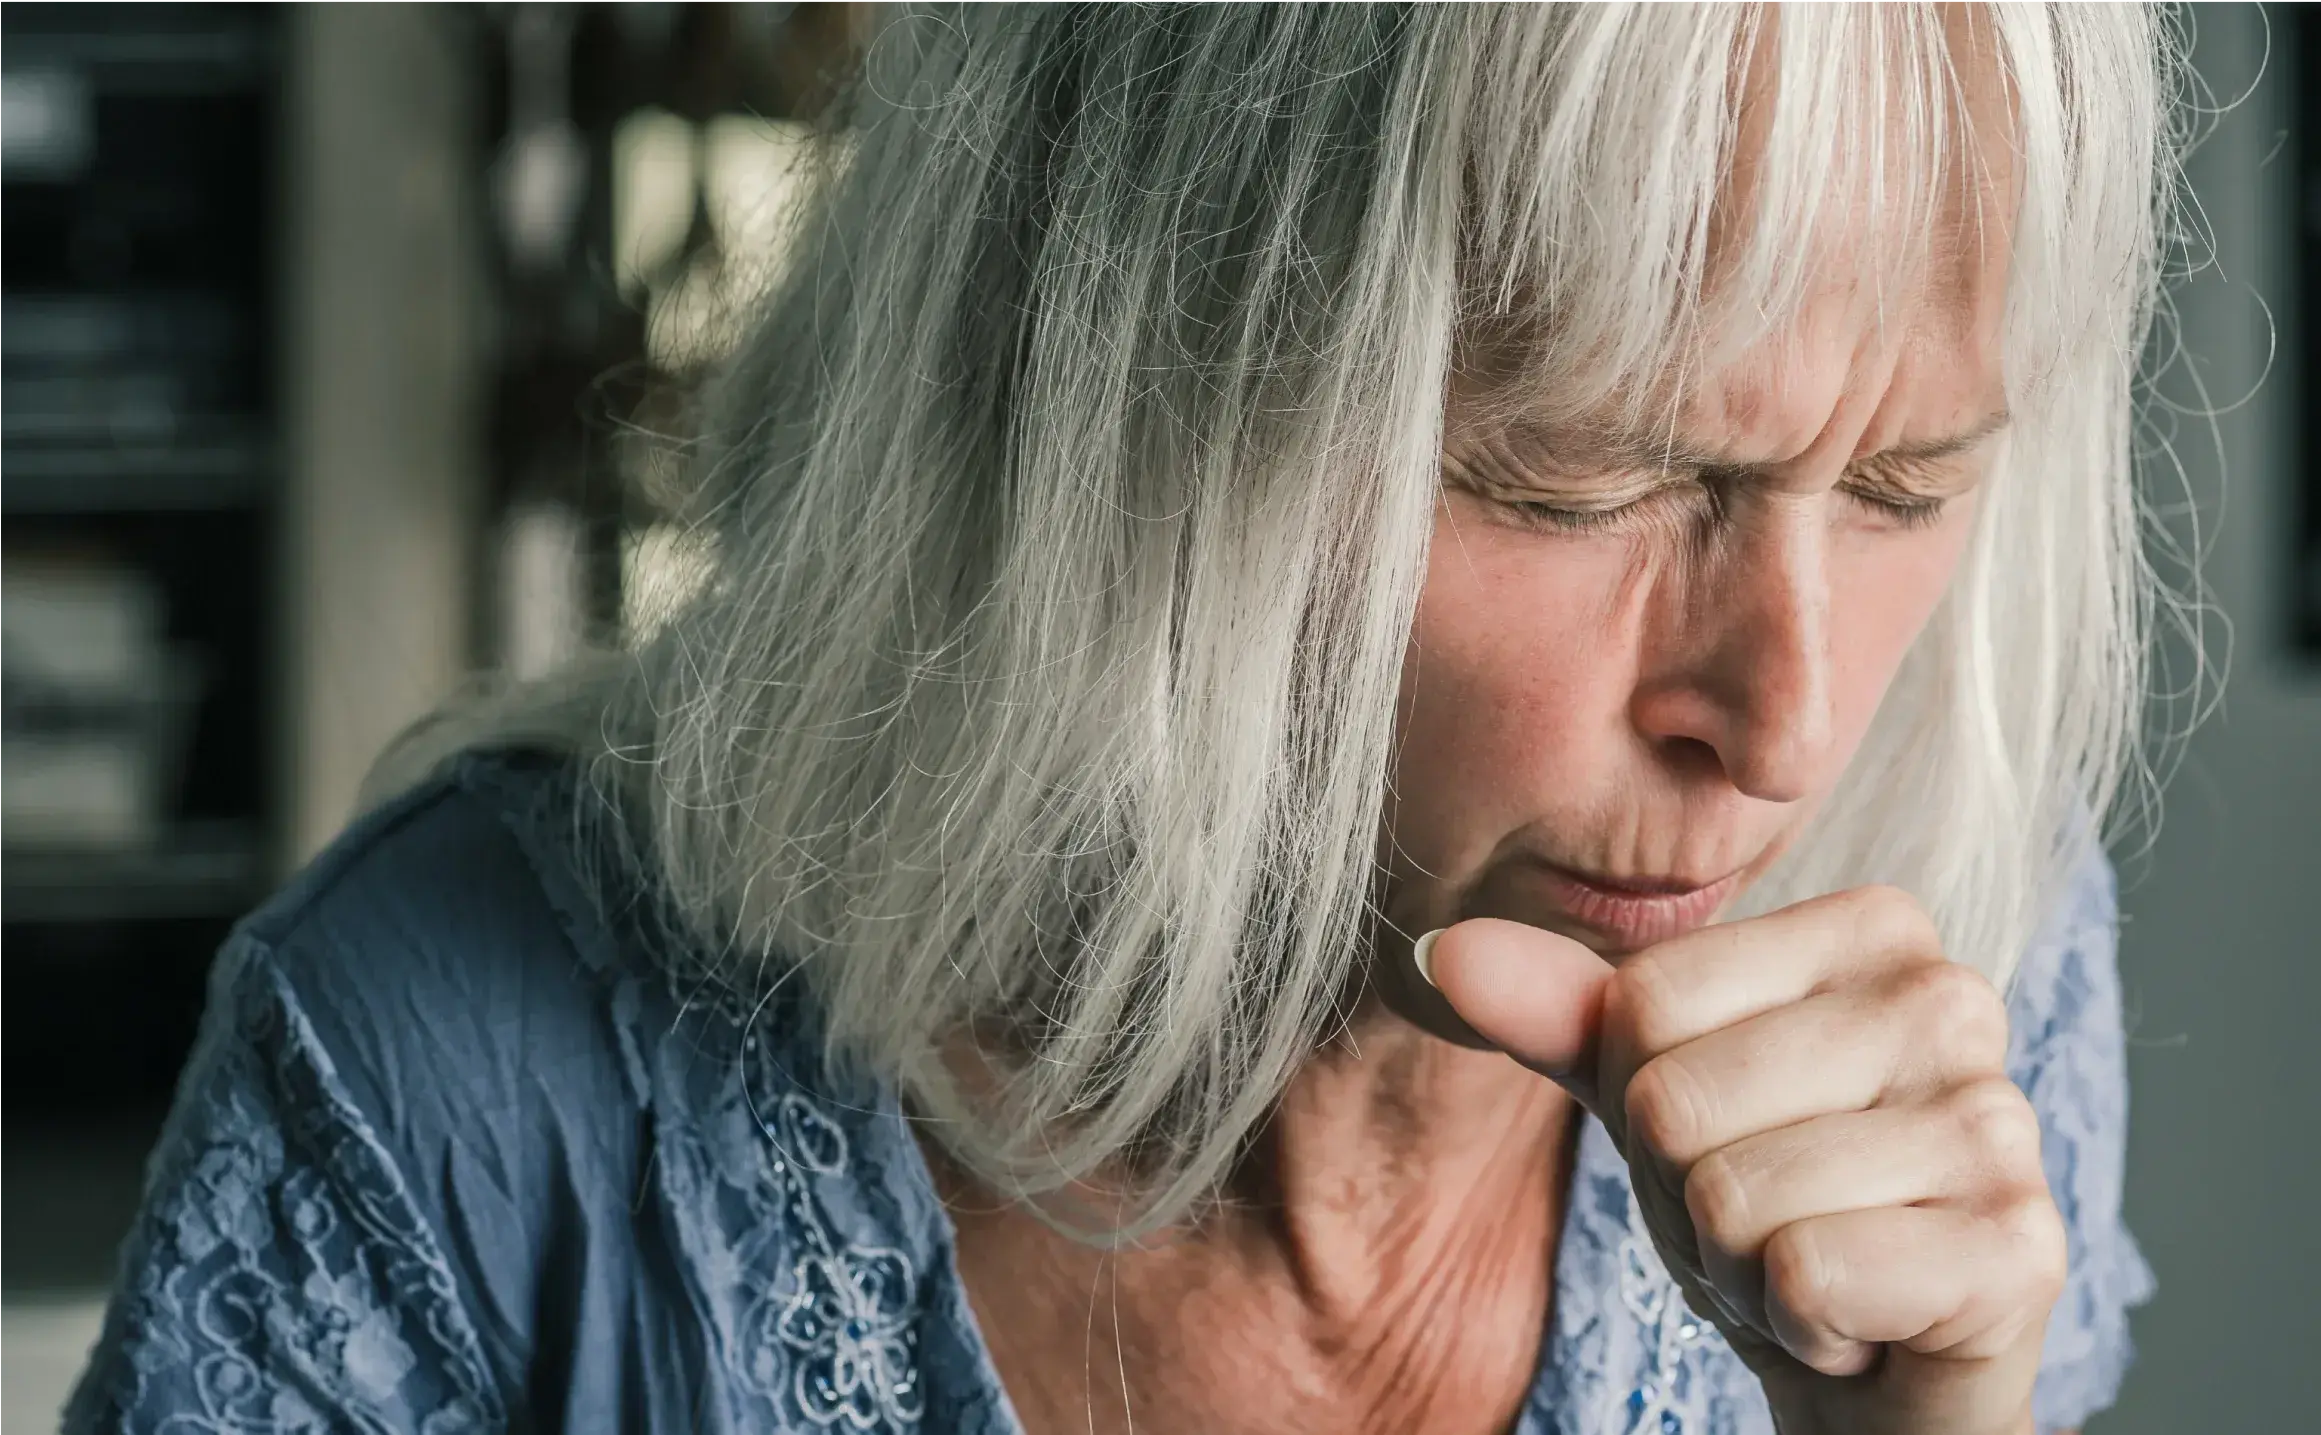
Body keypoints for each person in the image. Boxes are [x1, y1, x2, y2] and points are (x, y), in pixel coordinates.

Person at [66, 1, 2172, 1431]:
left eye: (1904, 486)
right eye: (1585, 479)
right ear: (1117, 386)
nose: (1785, 725)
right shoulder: (443, 1077)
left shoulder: (1966, 945)